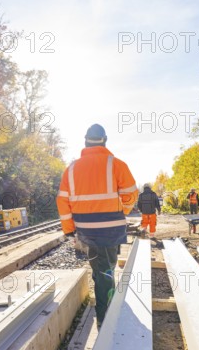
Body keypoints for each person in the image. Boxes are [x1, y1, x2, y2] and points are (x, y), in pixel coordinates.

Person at [56, 124, 138, 328]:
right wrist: (122, 211)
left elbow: (62, 200)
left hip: (87, 230)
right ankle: (105, 317)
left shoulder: (72, 168)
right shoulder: (116, 164)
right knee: (105, 270)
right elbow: (131, 194)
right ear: (105, 140)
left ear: (85, 141)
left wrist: (69, 229)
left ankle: (106, 303)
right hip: (111, 228)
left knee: (101, 267)